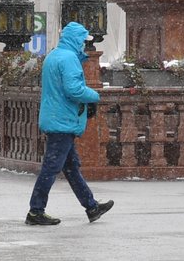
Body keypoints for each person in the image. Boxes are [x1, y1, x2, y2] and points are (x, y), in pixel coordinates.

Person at [26, 22, 112, 227]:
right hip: (62, 121)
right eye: (83, 41)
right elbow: (73, 89)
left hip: (56, 117)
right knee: (51, 167)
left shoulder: (54, 55)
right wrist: (94, 96)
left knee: (71, 167)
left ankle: (91, 206)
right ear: (75, 39)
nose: (84, 45)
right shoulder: (69, 58)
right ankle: (36, 210)